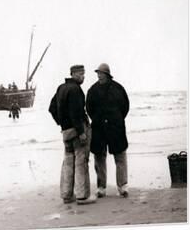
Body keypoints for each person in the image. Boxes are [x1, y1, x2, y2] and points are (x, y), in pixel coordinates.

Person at [49, 65, 95, 205]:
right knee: (81, 162)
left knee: (68, 162)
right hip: (77, 130)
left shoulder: (61, 88)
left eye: (83, 74)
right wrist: (81, 132)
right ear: (74, 74)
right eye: (81, 74)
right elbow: (76, 112)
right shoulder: (75, 89)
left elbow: (51, 108)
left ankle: (67, 195)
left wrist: (62, 123)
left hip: (66, 131)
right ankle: (82, 196)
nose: (83, 77)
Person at [86, 63, 130, 198]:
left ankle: (122, 187)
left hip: (116, 127)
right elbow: (89, 108)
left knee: (120, 155)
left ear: (107, 75)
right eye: (97, 73)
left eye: (101, 73)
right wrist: (98, 119)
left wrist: (117, 119)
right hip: (98, 127)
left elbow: (125, 107)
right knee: (99, 156)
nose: (98, 76)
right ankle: (101, 188)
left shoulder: (118, 88)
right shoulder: (92, 90)